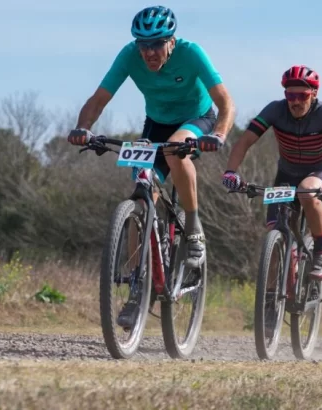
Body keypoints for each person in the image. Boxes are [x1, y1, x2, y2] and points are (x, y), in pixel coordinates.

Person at [67, 5, 235, 328]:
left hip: (196, 120)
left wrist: (219, 134)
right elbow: (98, 99)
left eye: (157, 44)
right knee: (142, 197)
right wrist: (83, 129)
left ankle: (194, 228)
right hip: (155, 123)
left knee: (175, 151)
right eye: (143, 45)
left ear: (171, 41)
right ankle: (136, 289)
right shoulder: (129, 55)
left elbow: (226, 102)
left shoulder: (192, 53)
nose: (149, 52)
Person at [222, 64, 322, 334]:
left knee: (306, 191)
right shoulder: (275, 109)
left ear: (313, 95)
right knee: (273, 234)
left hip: (319, 172)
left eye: (301, 96)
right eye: (290, 96)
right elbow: (245, 141)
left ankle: (321, 247)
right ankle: (271, 303)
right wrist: (231, 172)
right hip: (285, 175)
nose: (295, 102)